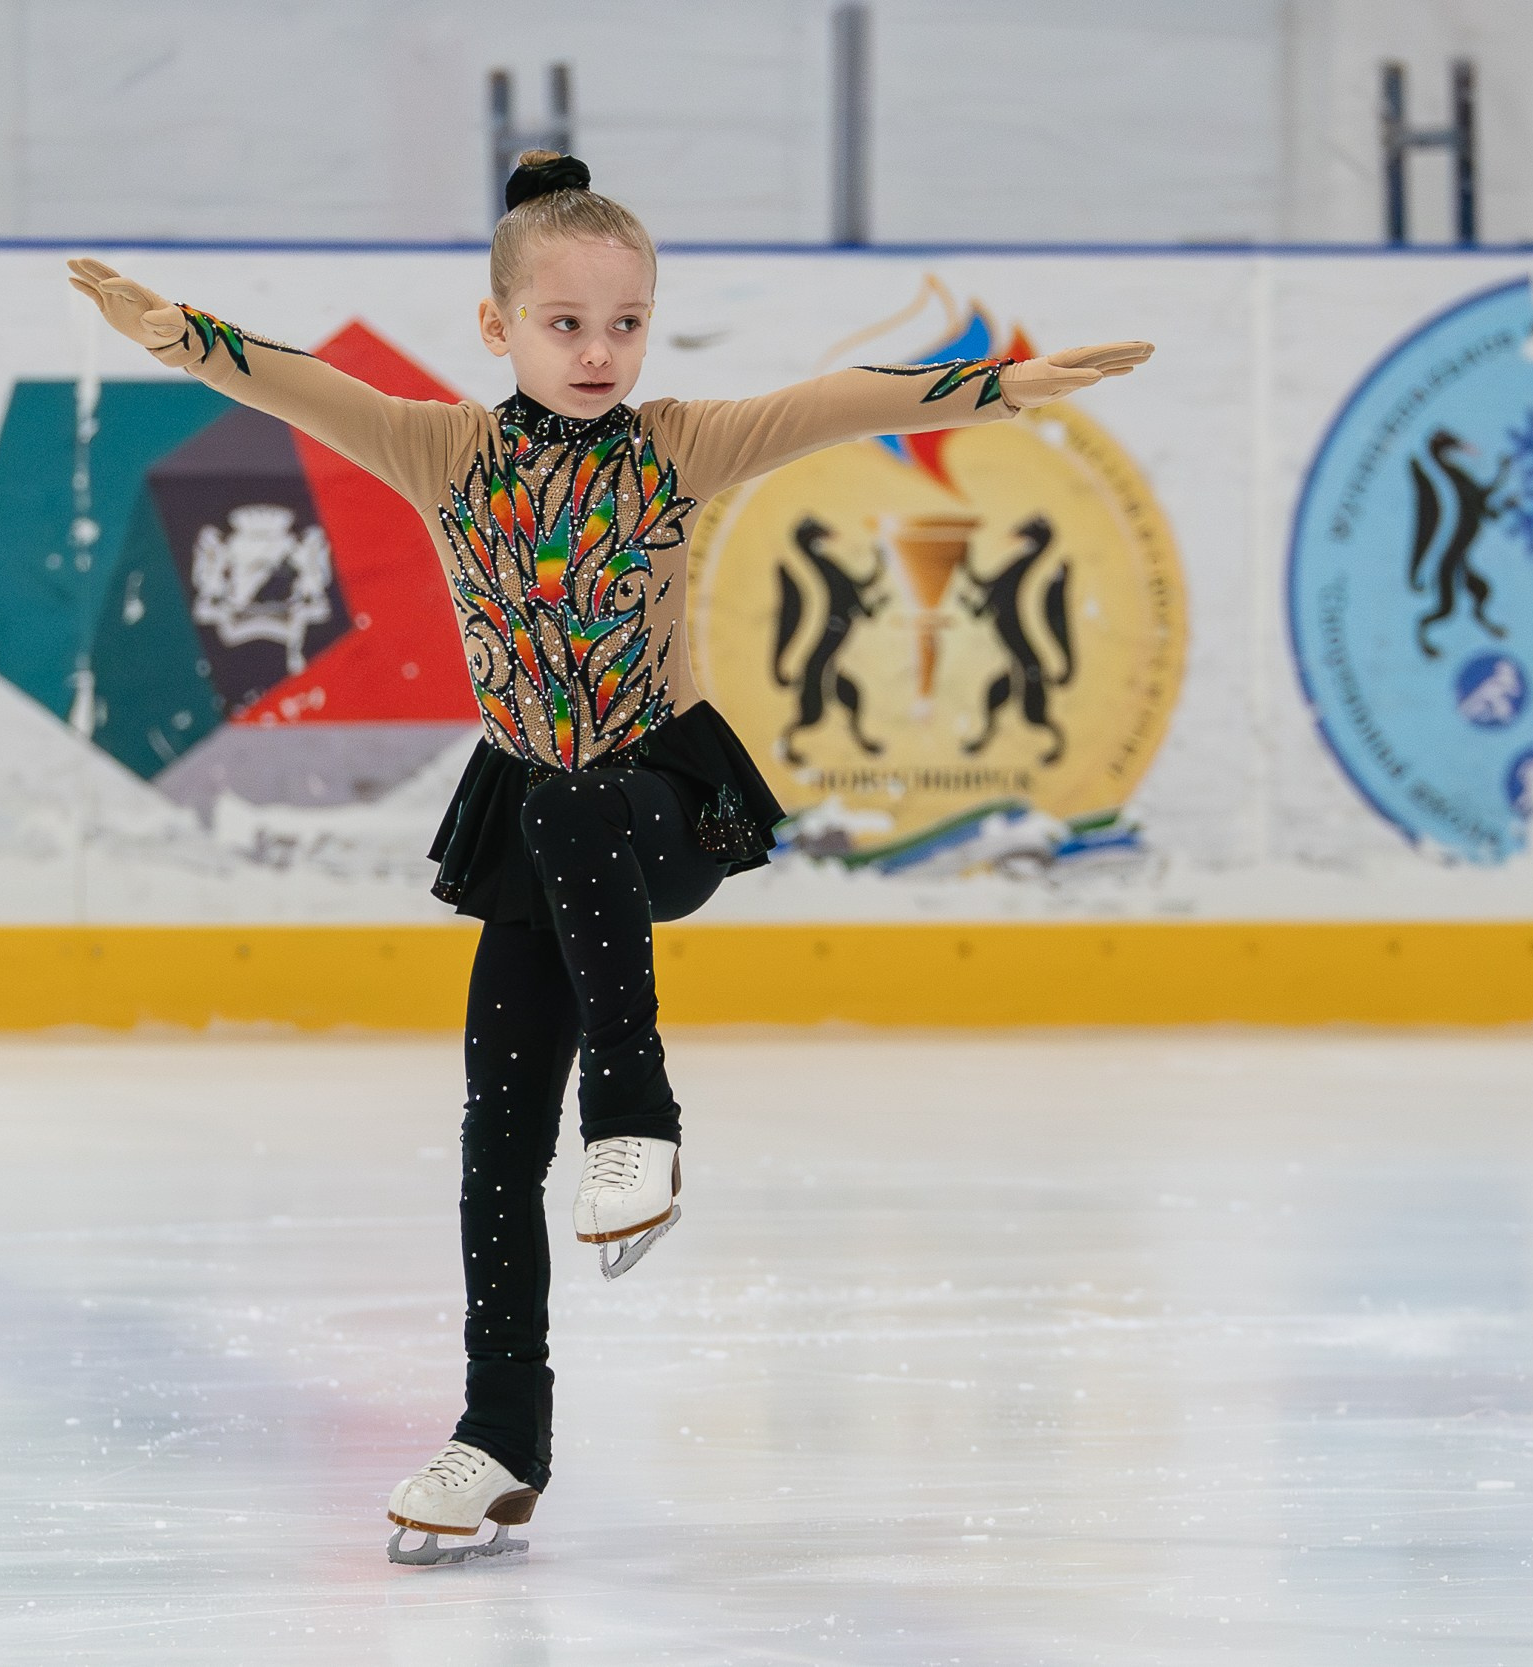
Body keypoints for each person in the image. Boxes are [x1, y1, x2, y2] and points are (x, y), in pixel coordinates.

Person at [68, 150, 1152, 1566]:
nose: (598, 351)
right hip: (535, 824)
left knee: (575, 800)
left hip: (660, 809)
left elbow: (835, 407)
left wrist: (996, 388)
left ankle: (637, 1118)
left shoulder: (679, 445)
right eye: (567, 324)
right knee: (491, 1142)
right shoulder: (440, 452)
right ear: (497, 326)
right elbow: (294, 389)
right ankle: (500, 1438)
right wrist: (177, 336)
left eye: (626, 323)